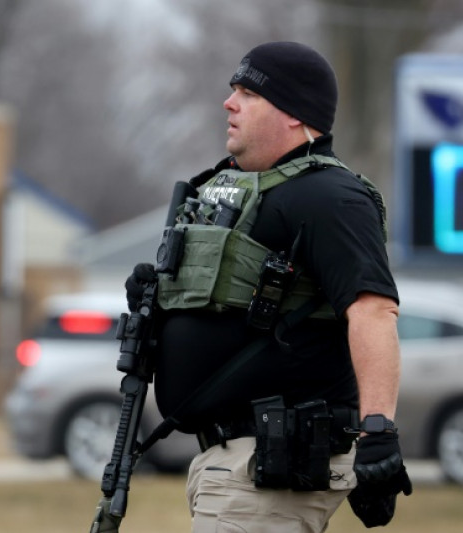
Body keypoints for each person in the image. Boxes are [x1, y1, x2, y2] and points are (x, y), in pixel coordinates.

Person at [123, 41, 412, 532]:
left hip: (270, 464)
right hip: (233, 463)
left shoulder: (330, 196)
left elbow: (372, 309)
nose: (228, 103)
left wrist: (378, 429)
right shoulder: (245, 191)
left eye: (247, 94)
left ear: (295, 114)